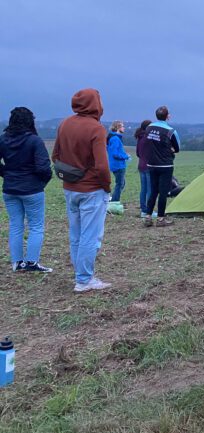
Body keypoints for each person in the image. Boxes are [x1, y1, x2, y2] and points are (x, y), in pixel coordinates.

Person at [52, 88, 113, 292]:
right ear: (95, 104)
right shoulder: (96, 129)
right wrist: (106, 187)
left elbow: (55, 155)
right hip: (92, 190)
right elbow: (103, 166)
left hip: (70, 188)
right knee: (90, 235)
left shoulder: (64, 124)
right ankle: (84, 279)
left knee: (76, 234)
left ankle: (80, 275)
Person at [0, 107, 53, 272]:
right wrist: (41, 182)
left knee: (16, 225)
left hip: (10, 189)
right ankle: (31, 262)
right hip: (32, 190)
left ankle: (17, 262)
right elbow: (44, 167)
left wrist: (7, 174)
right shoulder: (35, 141)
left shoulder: (2, 140)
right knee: (36, 226)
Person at [143, 106, 180, 228]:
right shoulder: (170, 131)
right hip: (166, 165)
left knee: (153, 191)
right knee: (163, 192)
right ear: (167, 116)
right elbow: (177, 148)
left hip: (151, 163)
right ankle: (160, 219)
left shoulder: (149, 128)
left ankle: (148, 217)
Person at [106, 120, 130, 203]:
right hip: (118, 165)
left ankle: (113, 199)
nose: (124, 128)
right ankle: (114, 202)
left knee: (121, 184)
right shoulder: (115, 139)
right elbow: (115, 154)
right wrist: (126, 156)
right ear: (118, 127)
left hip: (116, 165)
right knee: (120, 184)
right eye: (123, 126)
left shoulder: (113, 138)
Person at [134, 120, 154, 217]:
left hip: (141, 166)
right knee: (150, 189)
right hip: (149, 166)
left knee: (144, 189)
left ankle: (143, 210)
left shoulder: (139, 138)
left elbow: (137, 153)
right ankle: (149, 211)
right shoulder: (149, 138)